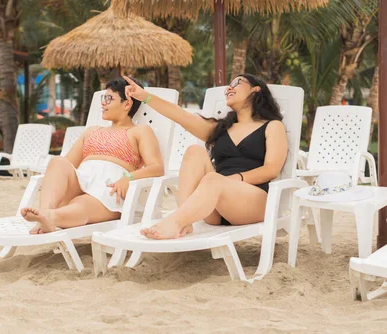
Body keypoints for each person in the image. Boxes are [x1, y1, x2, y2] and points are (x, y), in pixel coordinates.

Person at [123, 73, 288, 240]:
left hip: (253, 201)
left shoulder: (273, 126)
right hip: (214, 205)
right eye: (228, 85)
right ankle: (184, 221)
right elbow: (180, 115)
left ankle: (176, 221)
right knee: (194, 151)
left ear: (256, 89)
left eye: (237, 82)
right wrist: (145, 97)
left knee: (212, 179)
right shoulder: (220, 129)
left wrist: (232, 180)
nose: (229, 88)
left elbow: (271, 170)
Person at [21, 78, 164, 234]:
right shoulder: (92, 131)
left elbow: (157, 168)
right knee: (57, 162)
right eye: (104, 98)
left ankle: (49, 217)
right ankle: (45, 213)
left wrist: (129, 178)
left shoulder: (139, 131)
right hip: (82, 181)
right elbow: (67, 166)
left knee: (81, 204)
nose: (103, 103)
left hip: (108, 190)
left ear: (127, 104)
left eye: (109, 98)